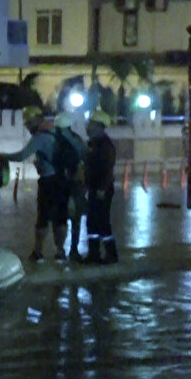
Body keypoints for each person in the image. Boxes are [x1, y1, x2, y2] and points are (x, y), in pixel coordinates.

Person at [0, 106, 71, 263]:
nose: (28, 127)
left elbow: (22, 155)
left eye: (29, 123)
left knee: (43, 217)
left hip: (48, 181)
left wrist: (5, 156)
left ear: (36, 121)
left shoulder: (40, 137)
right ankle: (60, 252)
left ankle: (38, 253)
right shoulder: (57, 132)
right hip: (63, 180)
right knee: (61, 218)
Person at [83, 110, 118, 264]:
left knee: (102, 222)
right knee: (92, 222)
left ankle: (111, 254)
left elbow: (108, 169)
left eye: (91, 124)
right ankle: (94, 254)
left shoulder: (105, 146)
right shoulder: (93, 143)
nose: (88, 127)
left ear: (99, 126)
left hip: (102, 189)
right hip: (93, 188)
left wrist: (103, 189)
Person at [54, 113, 89, 262]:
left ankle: (60, 250)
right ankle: (74, 250)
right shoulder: (78, 140)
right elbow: (85, 158)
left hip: (61, 183)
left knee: (60, 218)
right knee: (76, 218)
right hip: (77, 183)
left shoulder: (55, 141)